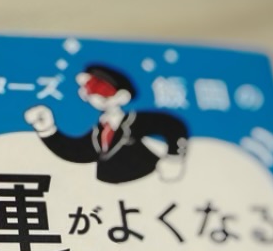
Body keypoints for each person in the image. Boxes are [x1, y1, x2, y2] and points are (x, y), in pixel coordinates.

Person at [25, 64, 188, 184]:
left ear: (122, 96)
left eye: (103, 90)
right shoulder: (100, 130)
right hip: (108, 192)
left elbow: (173, 126)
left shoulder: (137, 121)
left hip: (147, 182)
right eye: (90, 90)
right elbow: (78, 152)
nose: (95, 97)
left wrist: (174, 158)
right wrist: (48, 130)